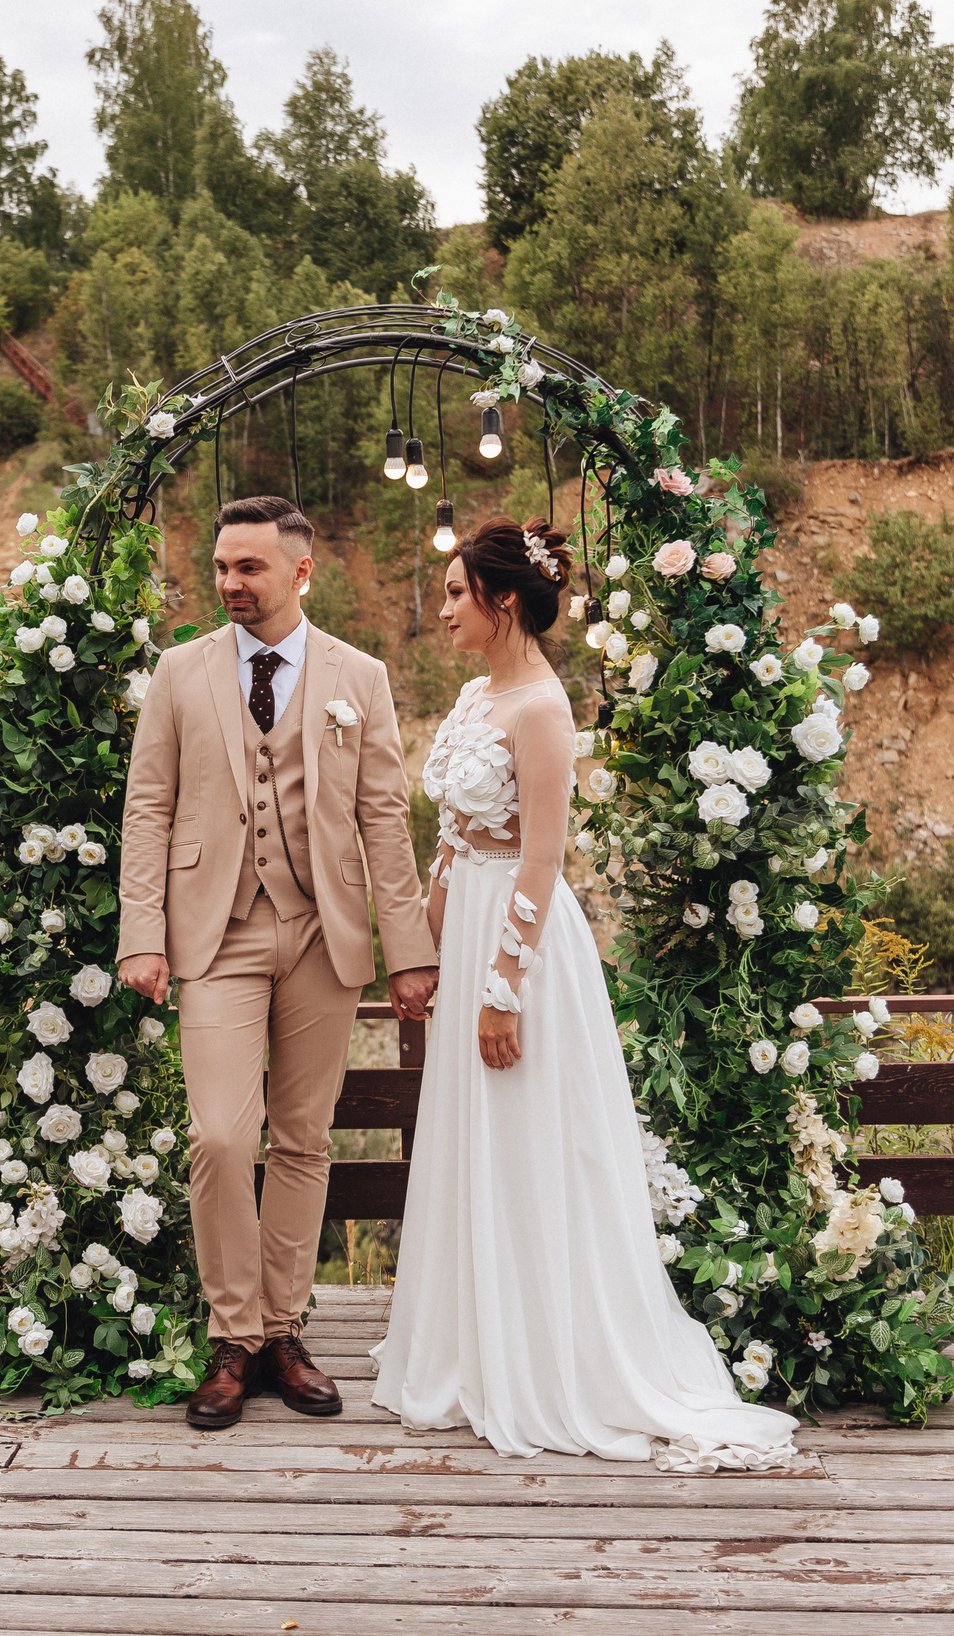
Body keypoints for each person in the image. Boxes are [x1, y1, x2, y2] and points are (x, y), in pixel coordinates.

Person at [368, 517, 798, 1467]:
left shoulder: (543, 711)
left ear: (504, 599)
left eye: (453, 594)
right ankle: (472, 1345)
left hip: (521, 949)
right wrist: (426, 946)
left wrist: (500, 990)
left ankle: (551, 1357)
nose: (441, 612)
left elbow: (542, 858)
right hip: (466, 926)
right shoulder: (476, 697)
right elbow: (451, 843)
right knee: (471, 1138)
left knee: (528, 1140)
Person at [117, 495, 440, 1431]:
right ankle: (232, 1337)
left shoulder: (360, 676)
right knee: (221, 1136)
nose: (230, 583)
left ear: (301, 572)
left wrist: (407, 949)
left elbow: (385, 816)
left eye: (249, 568)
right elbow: (148, 808)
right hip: (212, 932)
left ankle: (283, 1331)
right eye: (222, 565)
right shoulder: (179, 674)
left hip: (323, 930)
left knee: (303, 1137)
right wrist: (144, 933)